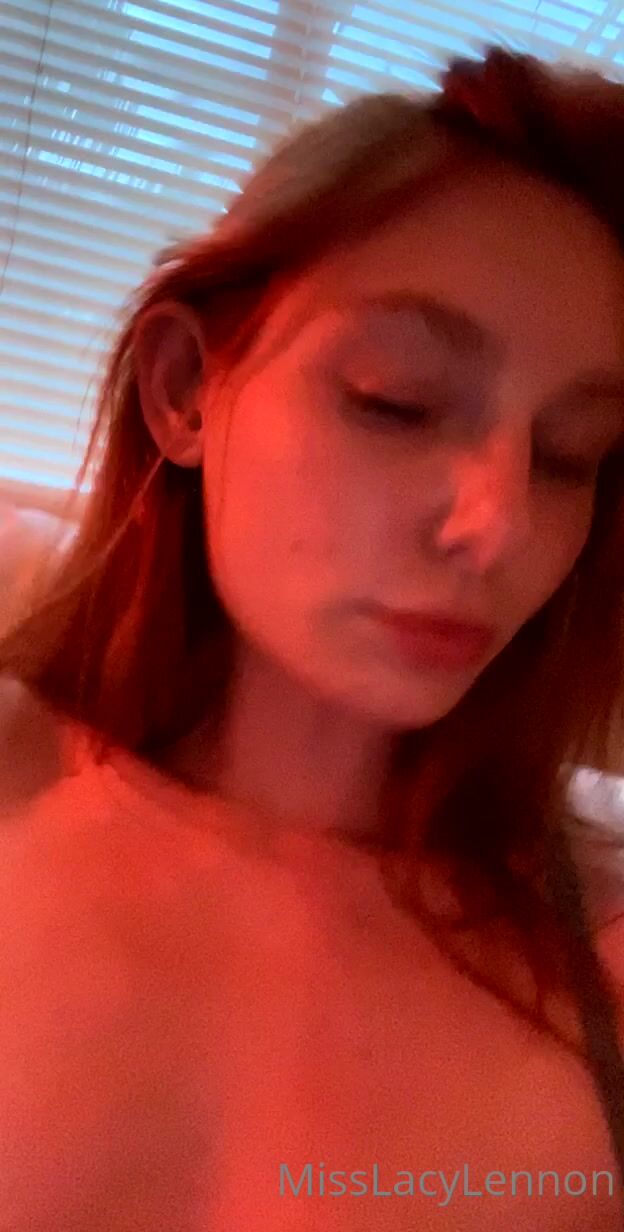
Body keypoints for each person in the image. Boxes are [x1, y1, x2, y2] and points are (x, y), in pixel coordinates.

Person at [0, 42, 624, 1231]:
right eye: (396, 400)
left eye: (569, 454)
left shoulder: (601, 963)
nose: (498, 522)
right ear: (184, 388)